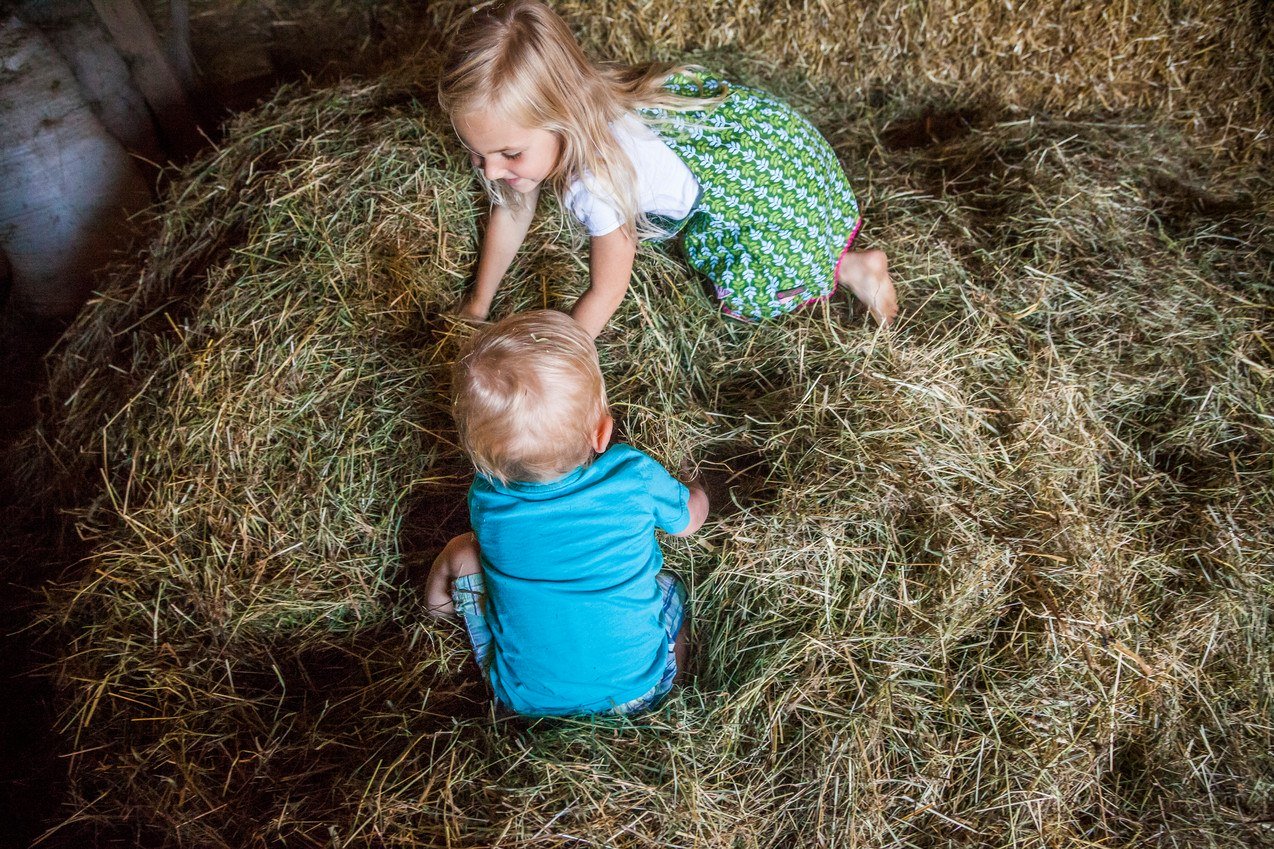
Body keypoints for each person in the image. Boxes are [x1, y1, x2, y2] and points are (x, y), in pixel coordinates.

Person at [438, 0, 898, 338]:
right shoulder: (577, 95)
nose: (492, 171)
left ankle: (855, 267)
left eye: (509, 155)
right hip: (765, 138)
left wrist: (564, 358)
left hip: (770, 190)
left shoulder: (596, 182)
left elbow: (605, 292)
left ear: (560, 117)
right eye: (478, 153)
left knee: (757, 277)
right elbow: (512, 209)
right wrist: (477, 306)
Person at [425, 310, 709, 716]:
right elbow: (688, 523)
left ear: (482, 458)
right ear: (601, 433)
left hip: (523, 697)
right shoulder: (633, 475)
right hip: (636, 691)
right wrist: (697, 489)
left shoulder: (486, 499)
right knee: (671, 588)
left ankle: (435, 611)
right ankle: (675, 677)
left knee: (463, 550)